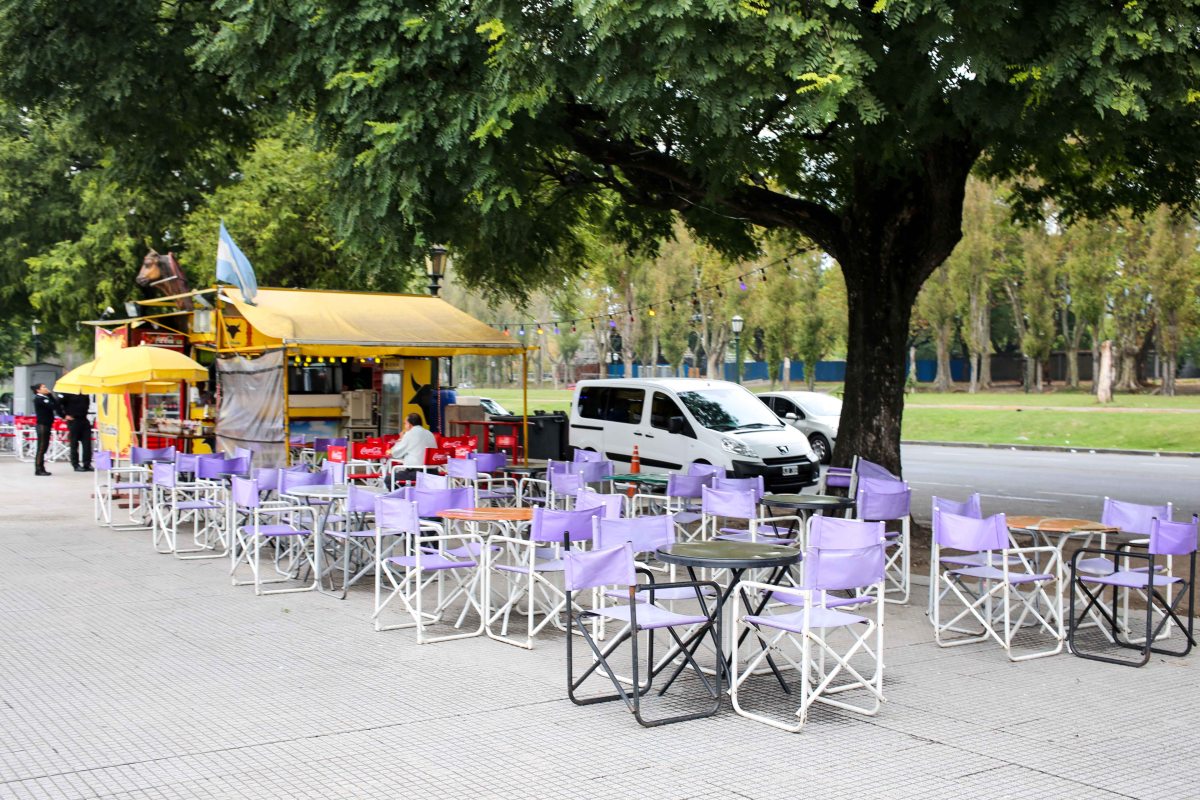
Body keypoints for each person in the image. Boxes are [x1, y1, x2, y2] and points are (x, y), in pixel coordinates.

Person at [389, 412, 438, 483]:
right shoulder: (430, 433)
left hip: (417, 473)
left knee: (389, 479)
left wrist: (401, 438)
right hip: (433, 472)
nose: (404, 427)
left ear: (409, 425)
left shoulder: (410, 434)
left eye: (405, 424)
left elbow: (395, 453)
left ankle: (406, 490)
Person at [31, 383, 62, 476]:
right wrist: (50, 396)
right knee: (41, 447)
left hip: (47, 425)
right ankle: (38, 468)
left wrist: (50, 395)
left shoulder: (45, 398)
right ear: (38, 390)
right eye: (43, 387)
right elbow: (52, 406)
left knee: (44, 447)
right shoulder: (39, 399)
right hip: (42, 425)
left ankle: (41, 467)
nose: (46, 388)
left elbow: (56, 405)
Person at [61, 392, 93, 472]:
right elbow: (58, 404)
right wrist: (63, 415)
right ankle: (75, 464)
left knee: (87, 443)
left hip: (84, 419)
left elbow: (87, 403)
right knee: (74, 443)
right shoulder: (67, 393)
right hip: (73, 420)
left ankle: (87, 463)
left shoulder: (84, 393)